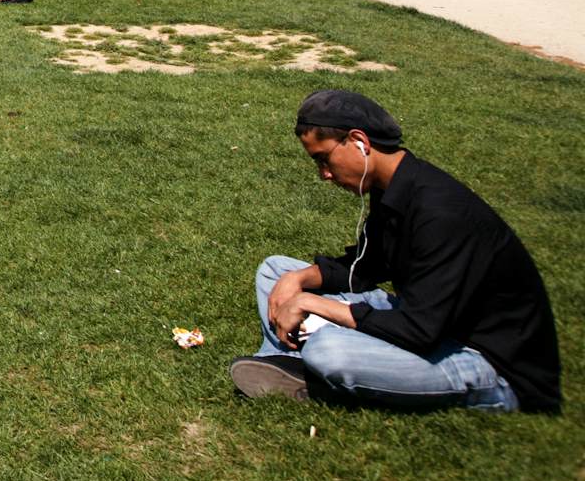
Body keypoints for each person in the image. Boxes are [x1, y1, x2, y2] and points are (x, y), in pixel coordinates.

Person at [228, 90, 560, 413]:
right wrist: (299, 279)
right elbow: (366, 267)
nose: (324, 175)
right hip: (429, 319)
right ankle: (286, 365)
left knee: (330, 351)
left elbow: (419, 331)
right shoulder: (394, 186)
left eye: (324, 159)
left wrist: (312, 302)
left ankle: (313, 372)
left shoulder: (440, 211)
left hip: (487, 360)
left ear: (359, 141)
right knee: (276, 272)